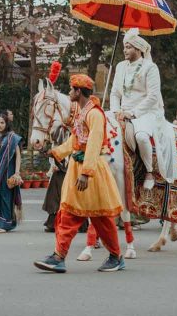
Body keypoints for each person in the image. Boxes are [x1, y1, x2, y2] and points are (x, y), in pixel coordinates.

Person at [34, 74, 124, 273]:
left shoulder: (95, 114)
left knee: (101, 219)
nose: (69, 92)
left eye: (71, 89)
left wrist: (86, 173)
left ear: (78, 91)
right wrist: (55, 151)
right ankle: (59, 256)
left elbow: (93, 144)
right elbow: (75, 141)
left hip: (91, 171)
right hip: (79, 167)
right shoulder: (82, 113)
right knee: (69, 213)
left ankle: (115, 256)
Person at [110, 28, 166, 185]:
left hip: (144, 113)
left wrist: (133, 113)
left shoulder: (150, 67)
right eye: (124, 47)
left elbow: (153, 96)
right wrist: (115, 110)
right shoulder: (120, 66)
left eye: (128, 47)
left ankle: (149, 172)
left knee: (141, 136)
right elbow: (115, 93)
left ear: (139, 49)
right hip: (121, 112)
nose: (125, 50)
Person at [0, 114, 22, 233]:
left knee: (6, 196)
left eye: (2, 123)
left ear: (6, 124)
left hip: (8, 171)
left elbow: (18, 156)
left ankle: (5, 224)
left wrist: (17, 172)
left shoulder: (12, 138)